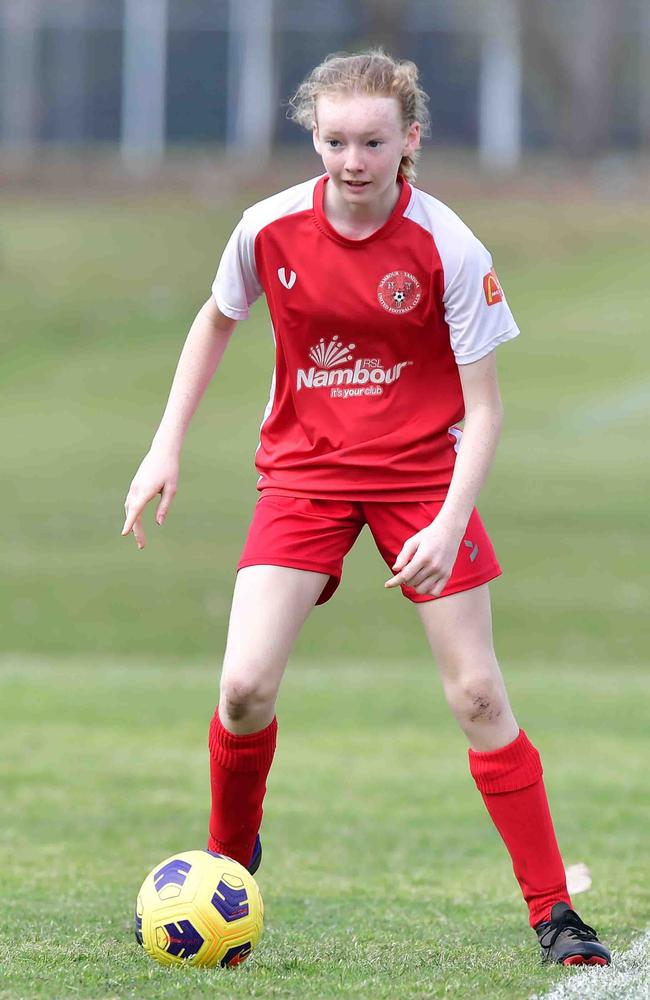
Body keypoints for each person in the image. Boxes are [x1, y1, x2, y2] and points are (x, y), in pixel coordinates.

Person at [122, 50, 610, 967]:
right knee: (243, 689)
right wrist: (164, 445)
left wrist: (450, 520)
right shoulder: (266, 228)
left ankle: (555, 915)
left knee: (477, 692)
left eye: (374, 142)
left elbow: (486, 408)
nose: (353, 160)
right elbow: (217, 316)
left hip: (425, 476)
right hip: (303, 474)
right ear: (314, 136)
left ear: (409, 141)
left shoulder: (448, 246)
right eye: (335, 140)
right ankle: (228, 867)